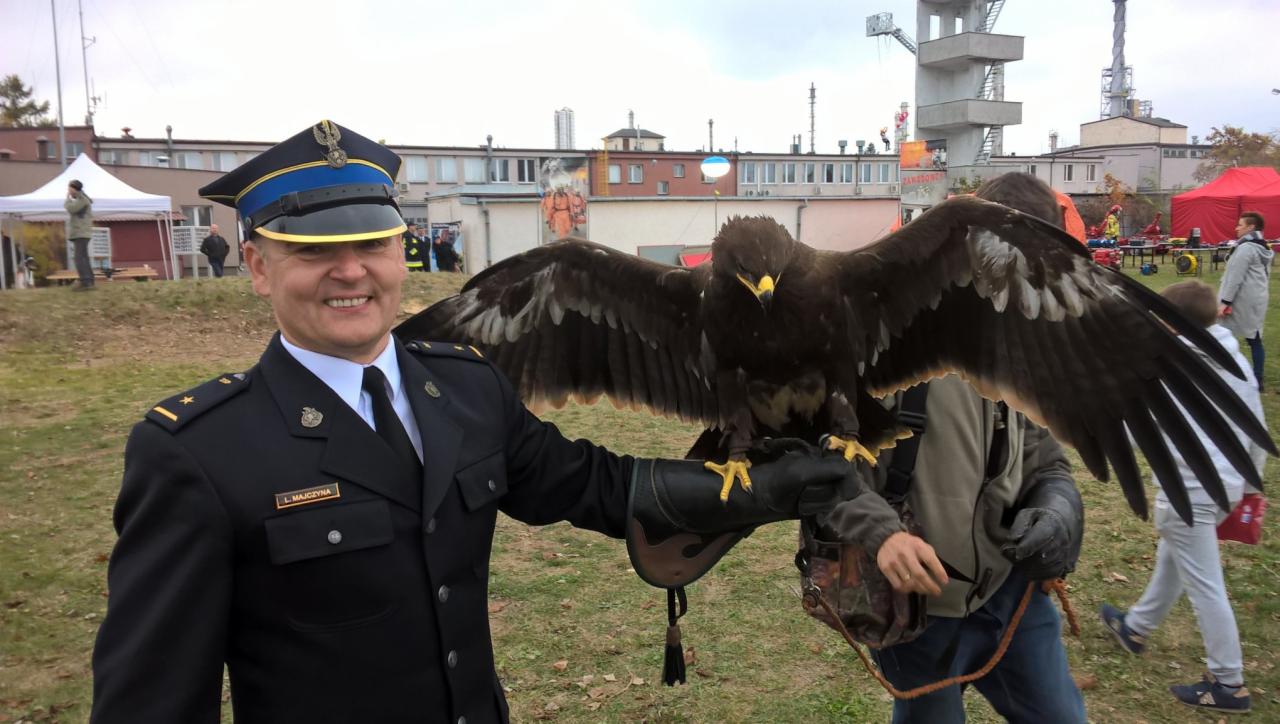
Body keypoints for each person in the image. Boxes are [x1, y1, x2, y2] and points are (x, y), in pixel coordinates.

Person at [88, 120, 856, 724]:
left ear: (402, 253)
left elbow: (594, 485)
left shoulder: (462, 390)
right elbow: (150, 703)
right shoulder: (197, 452)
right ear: (257, 266)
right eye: (314, 250)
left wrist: (763, 490)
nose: (351, 270)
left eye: (372, 244)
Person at [820, 172, 1087, 723]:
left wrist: (1060, 511)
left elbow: (1045, 460)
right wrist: (883, 533)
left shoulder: (1028, 339)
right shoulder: (886, 337)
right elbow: (822, 464)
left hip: (1014, 599)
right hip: (919, 609)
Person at [1099, 280, 1262, 715]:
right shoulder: (1237, 362)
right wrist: (1248, 486)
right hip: (1222, 486)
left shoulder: (1171, 369)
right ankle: (1135, 627)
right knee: (1176, 558)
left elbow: (1140, 430)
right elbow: (1255, 428)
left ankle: (1228, 682)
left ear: (1171, 326)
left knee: (1205, 584)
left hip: (1189, 490)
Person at [1217, 211, 1271, 391]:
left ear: (1251, 227)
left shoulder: (1246, 248)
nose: (1236, 228)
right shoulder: (1263, 247)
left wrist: (1225, 302)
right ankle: (1258, 379)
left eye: (1240, 225)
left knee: (1222, 333)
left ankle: (1224, 372)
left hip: (1242, 299)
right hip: (1257, 298)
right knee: (1254, 337)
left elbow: (1235, 277)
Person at [64, 179, 94, 290]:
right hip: (82, 233)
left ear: (74, 189)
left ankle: (85, 281)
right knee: (84, 258)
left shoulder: (82, 200)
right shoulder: (81, 199)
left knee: (79, 258)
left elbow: (71, 209)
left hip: (81, 233)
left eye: (69, 189)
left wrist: (67, 199)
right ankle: (89, 281)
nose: (68, 191)